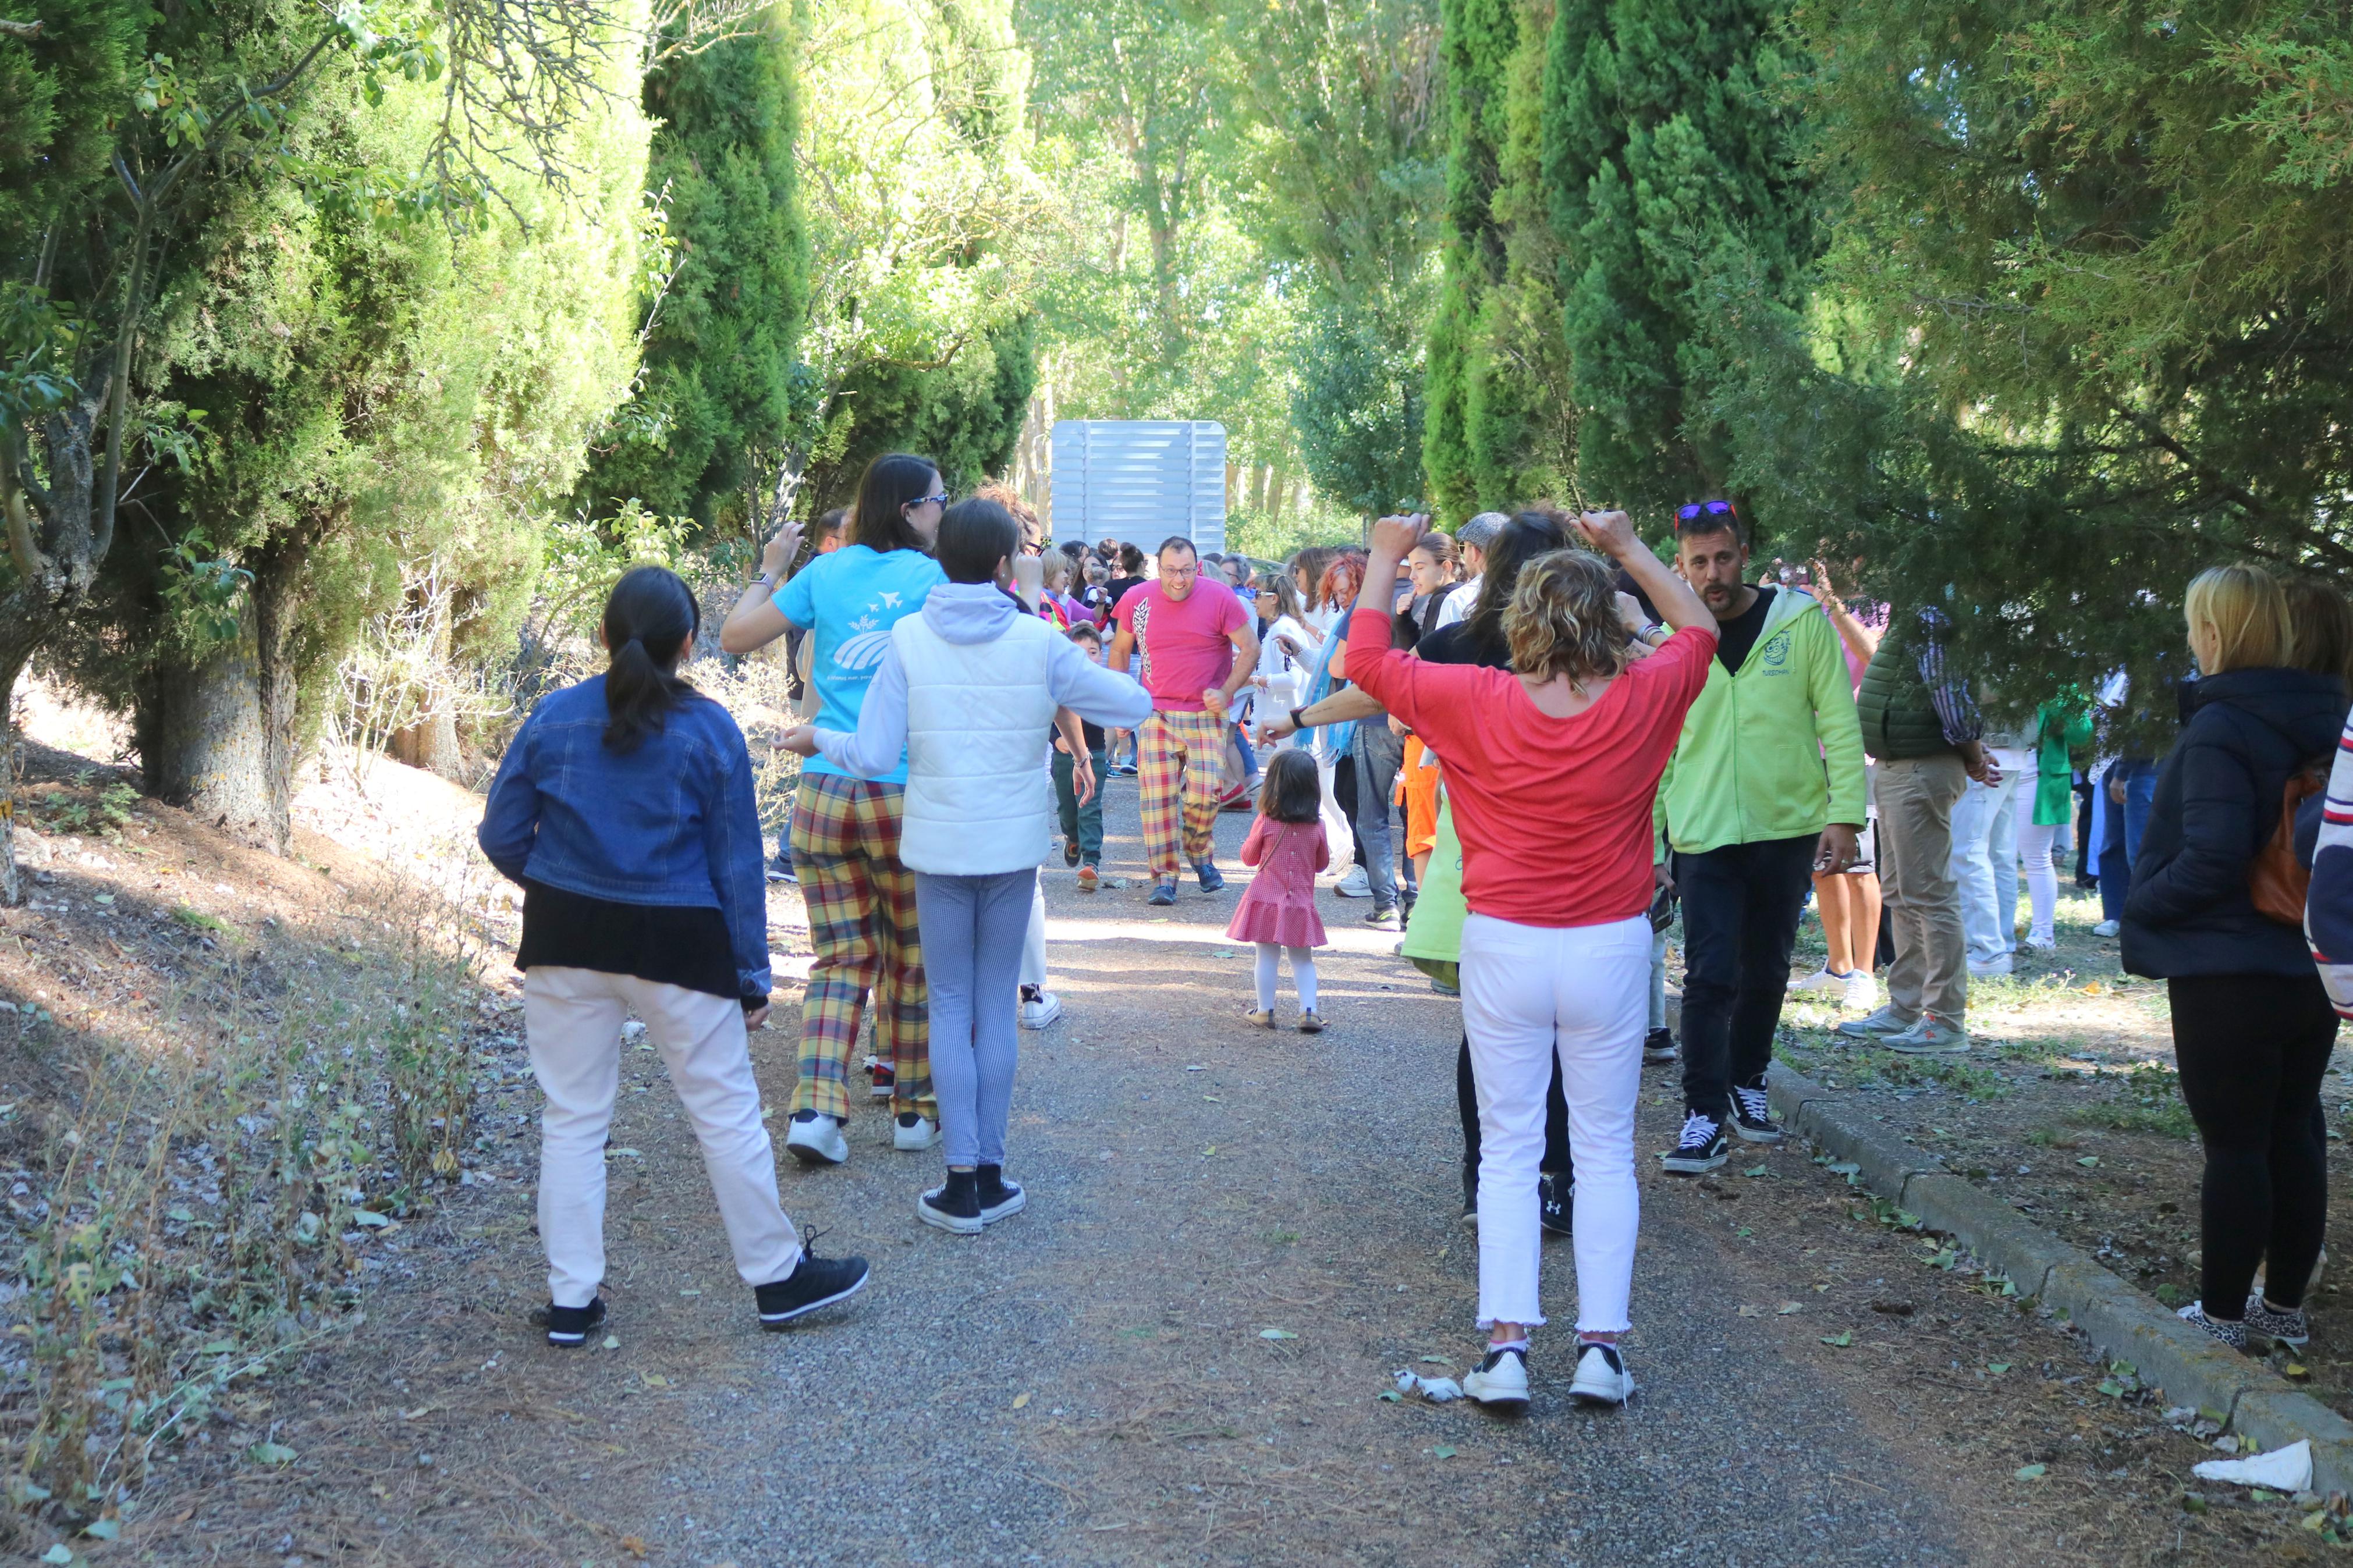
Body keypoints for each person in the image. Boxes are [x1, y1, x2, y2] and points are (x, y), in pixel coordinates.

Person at [1347, 506, 1715, 1413]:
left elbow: (1361, 662)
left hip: (1506, 939)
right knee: (1600, 1150)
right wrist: (1627, 547)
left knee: (1509, 1150)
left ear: (1518, 622)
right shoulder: (1647, 692)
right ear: (1610, 622)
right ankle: (1599, 1350)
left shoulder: (1471, 698)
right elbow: (1700, 627)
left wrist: (1387, 555)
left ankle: (1505, 1350)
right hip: (1608, 943)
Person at [481, 567, 871, 1345]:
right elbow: (735, 866)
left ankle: (570, 1302)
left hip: (565, 937)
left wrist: (558, 884)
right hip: (680, 941)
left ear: (603, 635)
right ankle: (776, 1277)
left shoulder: (552, 716)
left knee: (573, 1119)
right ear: (688, 643)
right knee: (725, 1116)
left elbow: (499, 832)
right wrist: (751, 974)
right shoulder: (708, 730)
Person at [784, 499, 1152, 1234]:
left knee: (948, 1005)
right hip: (1011, 848)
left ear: (937, 558)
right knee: (993, 1008)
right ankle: (992, 1170)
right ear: (1002, 562)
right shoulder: (1037, 641)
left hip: (937, 845)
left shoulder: (910, 638)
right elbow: (1134, 701)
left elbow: (870, 748)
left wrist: (813, 736)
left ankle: (959, 1185)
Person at [1269, 513, 1581, 1231]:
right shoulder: (1597, 650)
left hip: (1481, 867)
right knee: (1564, 1037)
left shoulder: (1458, 646)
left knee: (1492, 1035)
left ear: (1492, 568)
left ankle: (1487, 1182)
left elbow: (1379, 685)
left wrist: (1301, 718)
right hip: (1571, 868)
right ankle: (1556, 1180)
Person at [2125, 565, 2343, 1354]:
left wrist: (2142, 899)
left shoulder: (2223, 723)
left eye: (2194, 623)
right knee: (2293, 1128)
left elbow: (2212, 857)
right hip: (2310, 958)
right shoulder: (2332, 715)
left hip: (2229, 967)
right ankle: (2282, 1310)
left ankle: (2219, 1316)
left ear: (2214, 632)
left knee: (2237, 1144)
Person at [719, 453, 946, 1164]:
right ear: (910, 511)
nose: (945, 509)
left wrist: (769, 567)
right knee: (911, 958)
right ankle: (913, 1112)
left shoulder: (826, 570)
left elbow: (733, 636)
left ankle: (816, 1111)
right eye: (939, 500)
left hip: (821, 789)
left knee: (840, 957)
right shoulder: (933, 579)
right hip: (898, 789)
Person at [1653, 501, 1866, 1174]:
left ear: (1741, 554)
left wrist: (1844, 814)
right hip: (1702, 827)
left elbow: (1836, 719)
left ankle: (1748, 1081)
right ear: (1680, 566)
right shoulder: (1675, 639)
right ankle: (1700, 1114)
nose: (1711, 574)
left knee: (1766, 967)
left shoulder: (1798, 620)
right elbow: (1657, 745)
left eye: (1721, 558)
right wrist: (1650, 836)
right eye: (1697, 563)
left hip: (1787, 825)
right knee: (1710, 973)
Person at [1835, 604, 2000, 1054]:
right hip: (1898, 768)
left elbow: (1951, 698)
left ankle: (1944, 1019)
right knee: (1902, 892)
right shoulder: (1916, 611)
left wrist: (1973, 752)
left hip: (1919, 770)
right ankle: (1905, 1007)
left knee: (1928, 894)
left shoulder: (1931, 615)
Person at [1109, 536, 1261, 906]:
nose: (1180, 580)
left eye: (1187, 571)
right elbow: (1119, 649)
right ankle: (1164, 877)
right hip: (1156, 715)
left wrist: (1225, 692)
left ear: (1198, 568)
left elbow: (1251, 648)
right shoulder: (1137, 599)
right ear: (1158, 568)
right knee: (1157, 800)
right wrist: (1120, 706)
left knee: (1205, 796)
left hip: (1206, 716)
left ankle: (1199, 852)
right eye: (1172, 571)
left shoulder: (1220, 597)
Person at [1788, 557, 1886, 1009]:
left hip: (1853, 752)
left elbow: (1872, 656)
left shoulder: (1876, 607)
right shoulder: (1804, 606)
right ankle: (1837, 966)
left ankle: (1865, 973)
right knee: (1821, 864)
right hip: (1809, 751)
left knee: (1859, 865)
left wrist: (1832, 601)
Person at [1228, 749, 1330, 1031]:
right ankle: (1309, 1012)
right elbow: (1321, 865)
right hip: (1300, 904)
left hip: (1265, 900)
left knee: (1267, 957)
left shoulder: (1266, 820)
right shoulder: (1317, 826)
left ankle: (1265, 1011)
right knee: (1302, 960)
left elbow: (1249, 858)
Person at [2018, 696, 2094, 950]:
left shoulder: (2062, 680)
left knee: (2037, 857)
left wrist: (2054, 701)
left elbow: (2082, 735)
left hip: (2041, 777)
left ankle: (2043, 933)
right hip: (1994, 769)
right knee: (1996, 857)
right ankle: (1996, 933)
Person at [1056, 623, 1113, 891]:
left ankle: (1092, 862)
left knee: (1089, 807)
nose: (1087, 658)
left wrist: (1123, 720)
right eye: (1079, 652)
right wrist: (1055, 739)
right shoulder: (1058, 684)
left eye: (1093, 652)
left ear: (1100, 655)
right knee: (1069, 809)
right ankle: (1072, 836)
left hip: (1095, 753)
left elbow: (1115, 706)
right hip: (1064, 755)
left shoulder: (1101, 683)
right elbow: (1047, 717)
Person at [1433, 512, 1507, 630]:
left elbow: (1441, 648)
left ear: (1474, 553)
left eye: (1464, 548)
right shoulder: (1531, 592)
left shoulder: (1458, 601)